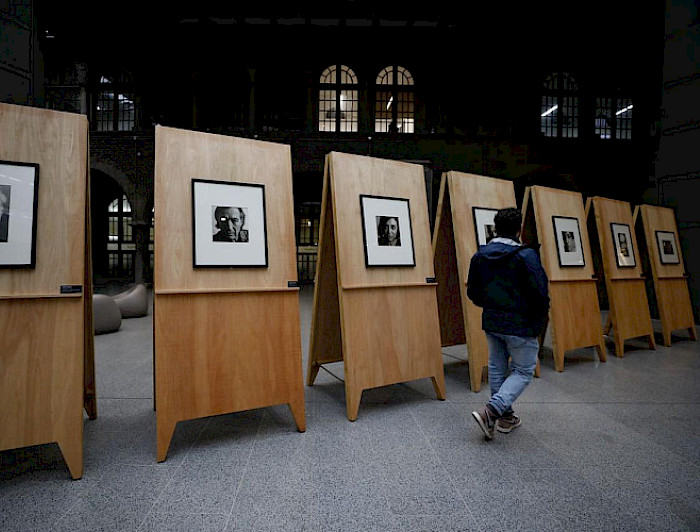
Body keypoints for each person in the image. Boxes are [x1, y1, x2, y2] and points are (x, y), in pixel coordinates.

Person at [466, 207, 549, 440]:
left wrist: (490, 305)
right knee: (523, 371)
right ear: (519, 229)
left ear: (495, 228)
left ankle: (505, 417)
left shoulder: (481, 255)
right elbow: (540, 294)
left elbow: (473, 291)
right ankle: (491, 412)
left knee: (497, 368)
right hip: (521, 324)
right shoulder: (526, 256)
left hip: (492, 321)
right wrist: (538, 321)